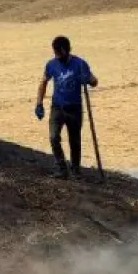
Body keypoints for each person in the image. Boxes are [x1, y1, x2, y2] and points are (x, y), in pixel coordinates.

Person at [35, 36, 98, 179]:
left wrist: (87, 79)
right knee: (53, 137)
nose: (55, 55)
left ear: (64, 50)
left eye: (57, 52)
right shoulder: (51, 64)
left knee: (74, 140)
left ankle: (75, 170)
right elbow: (43, 83)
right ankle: (61, 168)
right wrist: (39, 103)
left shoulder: (80, 64)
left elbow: (94, 81)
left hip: (74, 107)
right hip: (57, 107)